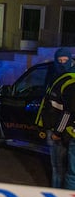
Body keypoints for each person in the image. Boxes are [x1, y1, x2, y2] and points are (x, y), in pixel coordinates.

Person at [35, 47, 75, 189]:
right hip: (59, 129)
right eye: (60, 60)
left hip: (60, 130)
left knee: (60, 169)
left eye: (65, 60)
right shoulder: (57, 77)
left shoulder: (69, 80)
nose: (62, 64)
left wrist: (57, 132)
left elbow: (68, 111)